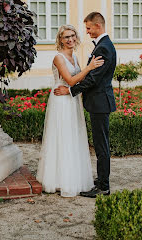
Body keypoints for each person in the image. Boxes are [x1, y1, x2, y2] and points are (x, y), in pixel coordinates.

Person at [36, 24, 104, 197]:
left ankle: (74, 176)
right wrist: (89, 68)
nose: (71, 39)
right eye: (66, 36)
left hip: (72, 100)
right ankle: (60, 179)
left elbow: (78, 82)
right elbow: (71, 80)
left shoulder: (74, 56)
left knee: (73, 136)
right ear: (60, 39)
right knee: (62, 137)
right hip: (61, 101)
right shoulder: (59, 58)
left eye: (73, 35)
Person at [54, 12, 116, 198]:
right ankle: (102, 179)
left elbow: (94, 79)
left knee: (101, 145)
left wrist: (71, 91)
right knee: (99, 144)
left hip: (100, 102)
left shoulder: (103, 48)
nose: (87, 32)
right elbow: (89, 76)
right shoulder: (103, 46)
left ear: (98, 26)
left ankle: (103, 186)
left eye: (89, 28)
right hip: (98, 102)